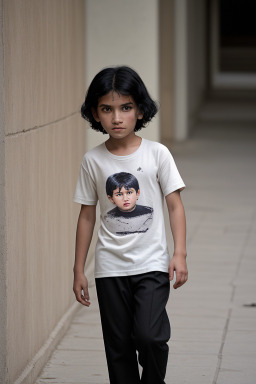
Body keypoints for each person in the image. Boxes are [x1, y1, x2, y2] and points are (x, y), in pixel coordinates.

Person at [73, 66, 188, 384]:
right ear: (95, 114)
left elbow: (175, 206)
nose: (117, 118)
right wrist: (78, 268)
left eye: (125, 107)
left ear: (139, 110)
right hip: (110, 269)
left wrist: (180, 254)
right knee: (119, 348)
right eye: (107, 109)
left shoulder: (157, 154)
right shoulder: (92, 160)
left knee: (150, 337)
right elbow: (86, 215)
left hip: (151, 265)